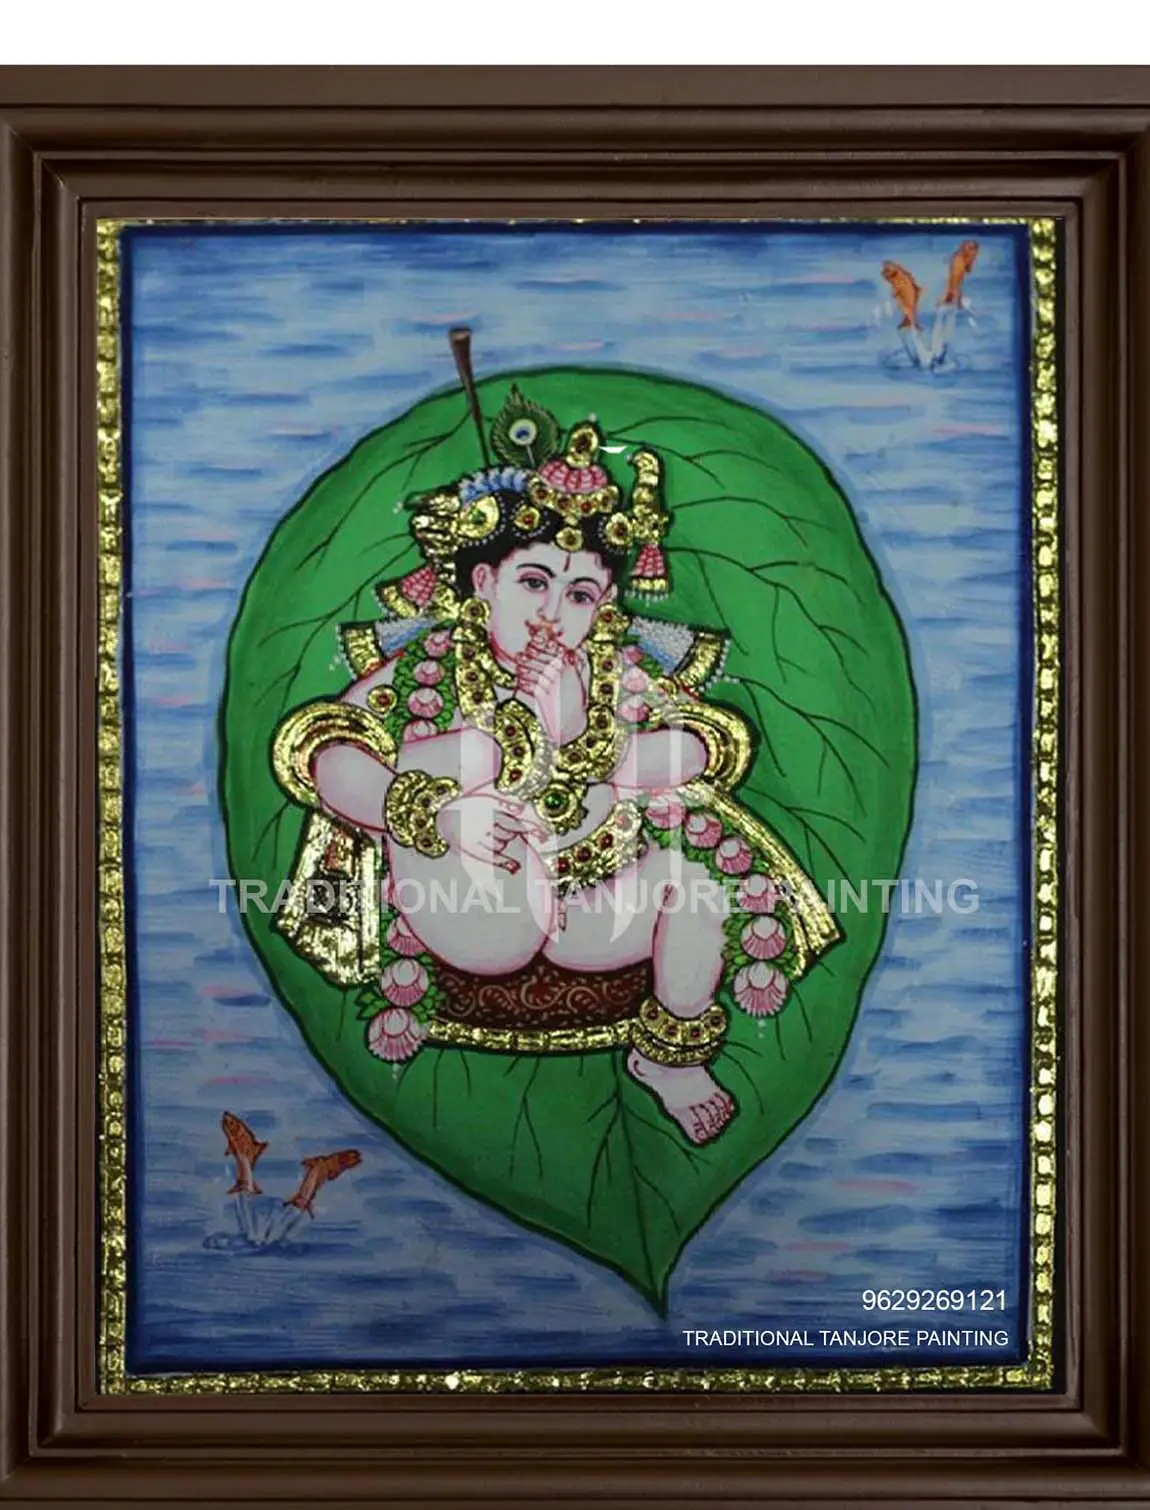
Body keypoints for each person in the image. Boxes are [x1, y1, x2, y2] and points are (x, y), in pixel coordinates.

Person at [272, 397, 837, 1146]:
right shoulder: (427, 670)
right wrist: (434, 810)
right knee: (458, 757)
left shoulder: (610, 673)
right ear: (484, 584)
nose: (552, 613)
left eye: (578, 595)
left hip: (591, 901)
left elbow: (708, 745)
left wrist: (590, 741)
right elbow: (326, 751)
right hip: (463, 900)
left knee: (695, 889)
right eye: (533, 582)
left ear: (605, 606)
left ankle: (670, 1059)